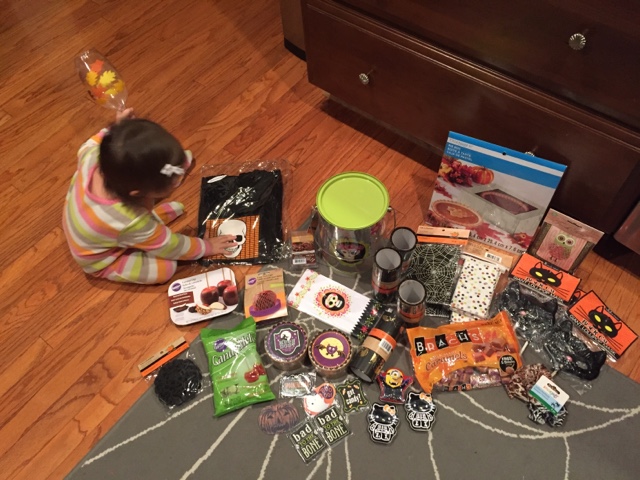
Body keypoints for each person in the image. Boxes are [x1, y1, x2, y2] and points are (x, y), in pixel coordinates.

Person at [62, 109, 236, 284]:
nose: (178, 180)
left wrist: (117, 129)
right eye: (172, 183)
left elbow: (97, 142)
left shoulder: (93, 154)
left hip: (92, 225)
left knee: (160, 169)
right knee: (166, 269)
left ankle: (147, 230)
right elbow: (171, 246)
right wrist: (207, 247)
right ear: (136, 193)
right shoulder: (129, 219)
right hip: (101, 259)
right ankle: (146, 232)